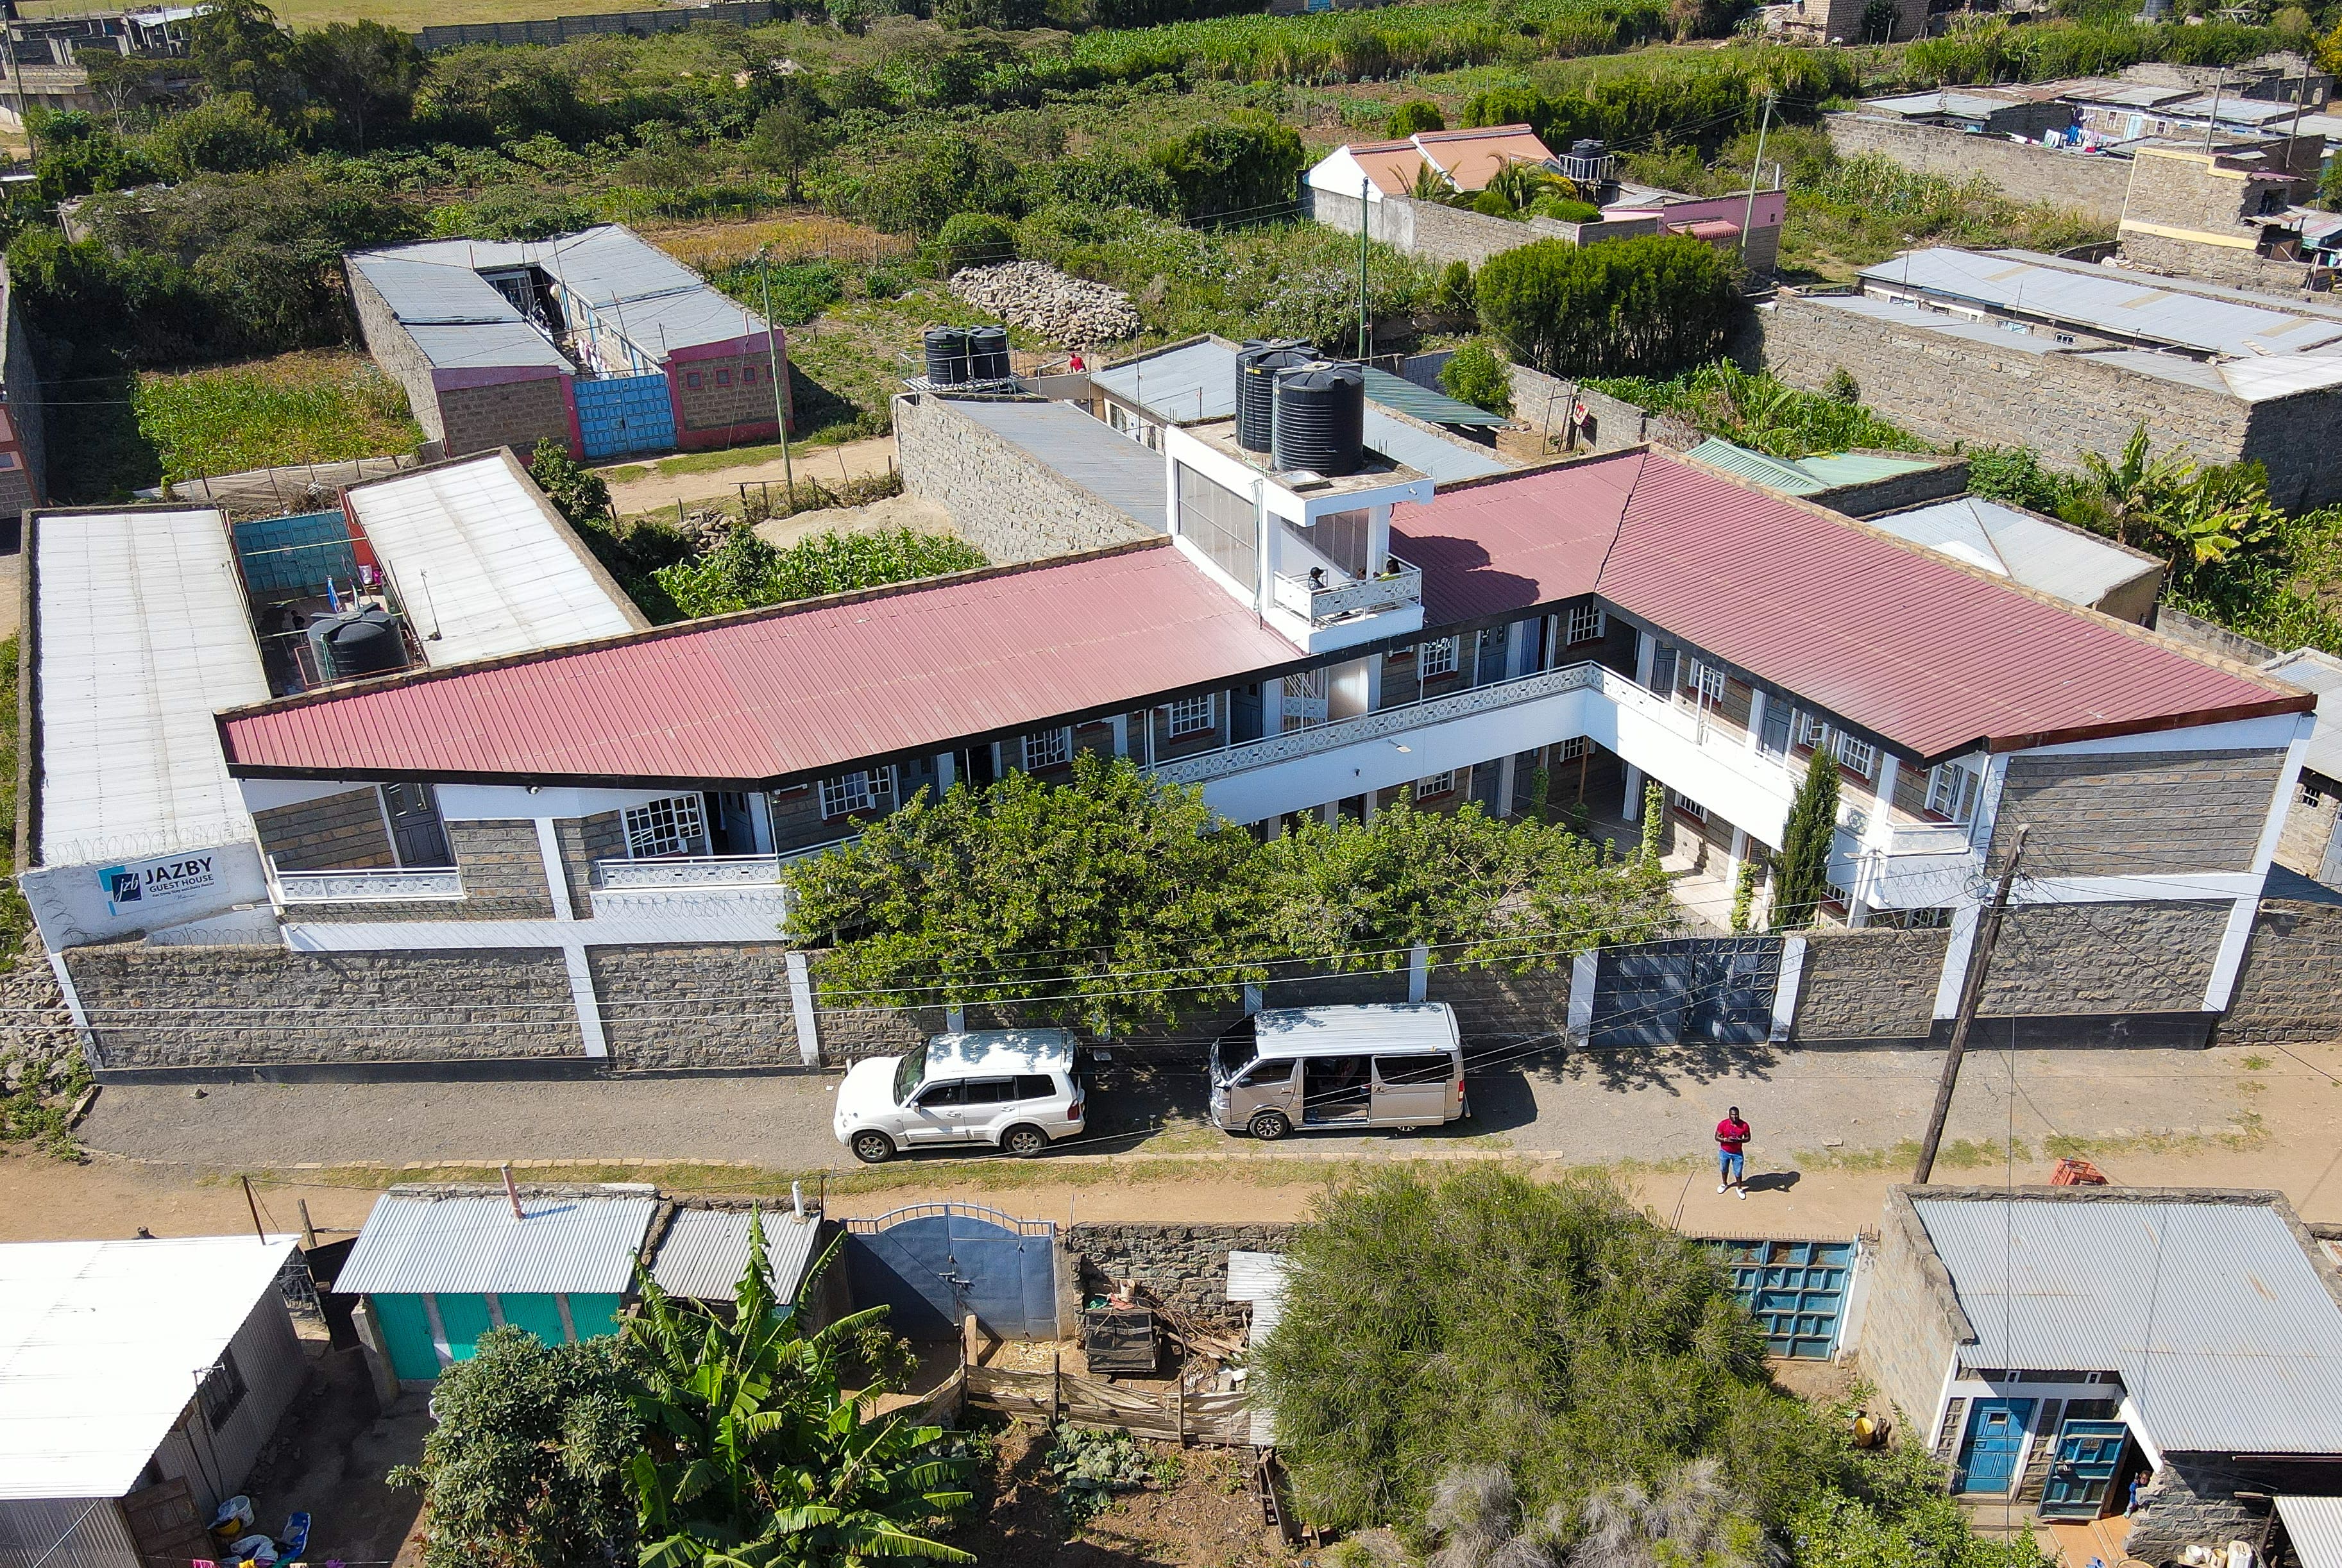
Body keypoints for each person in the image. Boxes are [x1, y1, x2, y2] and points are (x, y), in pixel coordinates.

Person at [1715, 1106, 1751, 1198]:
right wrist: (1726, 1140)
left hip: (1737, 1153)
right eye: (1733, 1115)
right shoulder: (1723, 1124)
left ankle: (1739, 1188)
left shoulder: (1744, 1125)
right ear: (1729, 1115)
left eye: (1736, 1115)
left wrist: (1740, 1140)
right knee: (1724, 1169)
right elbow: (1717, 1137)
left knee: (1738, 1172)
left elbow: (1748, 1138)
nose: (1735, 1117)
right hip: (1725, 1151)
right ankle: (1724, 1184)